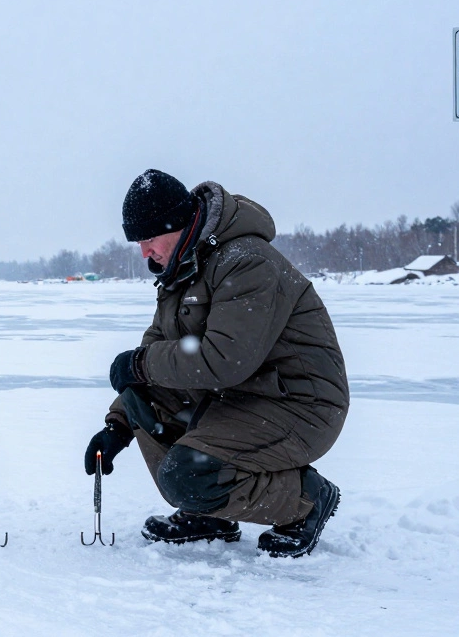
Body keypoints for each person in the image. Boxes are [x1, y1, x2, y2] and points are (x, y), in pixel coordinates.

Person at [84, 169, 349, 557]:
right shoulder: (182, 270)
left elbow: (226, 359)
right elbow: (157, 355)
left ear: (175, 224)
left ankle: (305, 500)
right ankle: (208, 513)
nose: (144, 252)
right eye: (138, 242)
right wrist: (118, 425)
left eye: (149, 238)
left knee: (185, 474)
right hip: (242, 399)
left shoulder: (247, 262)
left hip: (300, 405)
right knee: (142, 399)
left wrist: (140, 365)